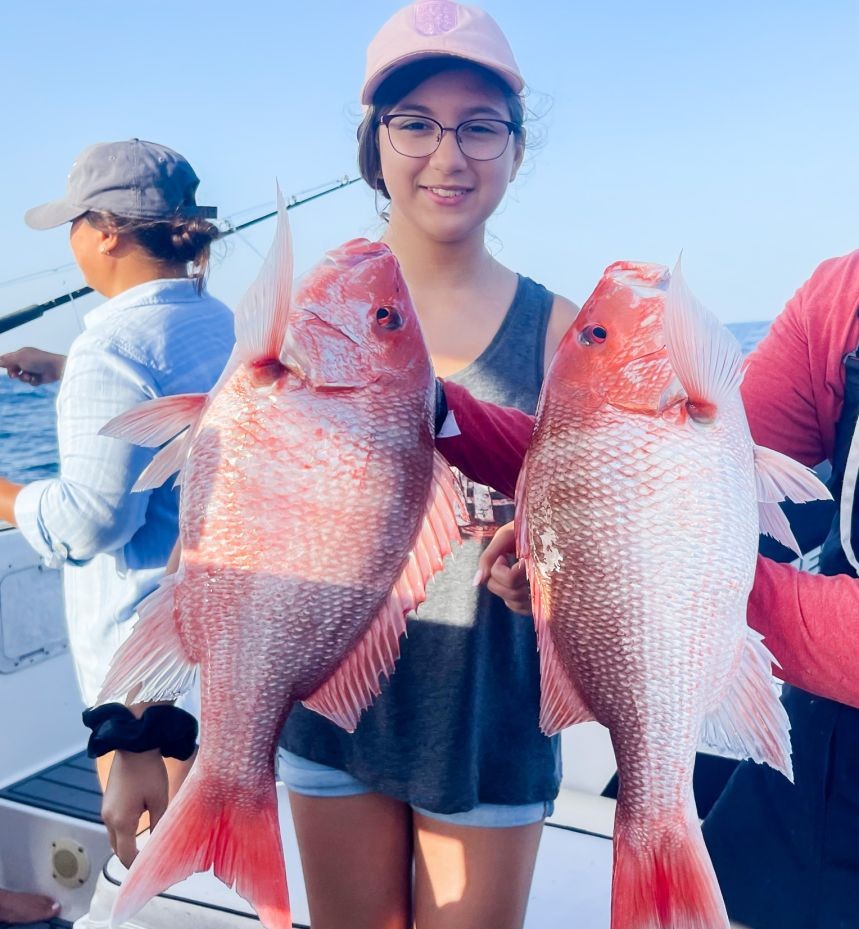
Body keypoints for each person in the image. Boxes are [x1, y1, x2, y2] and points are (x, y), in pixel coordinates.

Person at [439, 251, 859, 929]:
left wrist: (619, 577)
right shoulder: (841, 297)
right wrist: (435, 409)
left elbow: (643, 498)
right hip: (824, 768)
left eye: (594, 336)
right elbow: (604, 455)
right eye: (594, 337)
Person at [277, 4, 578, 928]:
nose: (448, 155)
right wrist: (149, 712)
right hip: (326, 705)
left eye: (481, 126)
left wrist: (548, 571)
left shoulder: (569, 334)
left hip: (489, 716)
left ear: (516, 150)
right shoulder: (303, 322)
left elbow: (581, 530)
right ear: (374, 146)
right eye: (414, 122)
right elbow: (231, 509)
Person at [0, 139, 235, 863]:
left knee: (153, 867)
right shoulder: (219, 321)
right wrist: (67, 366)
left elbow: (95, 519)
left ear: (104, 231)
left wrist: (7, 496)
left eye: (73, 223)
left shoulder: (113, 349)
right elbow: (187, 397)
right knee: (201, 857)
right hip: (220, 645)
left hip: (140, 681)